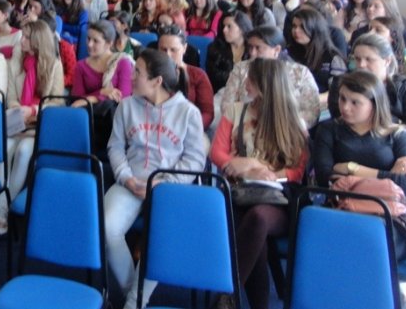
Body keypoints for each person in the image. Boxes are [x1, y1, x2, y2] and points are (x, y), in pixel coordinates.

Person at [104, 48, 206, 309]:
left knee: (158, 238)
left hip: (167, 189)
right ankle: (133, 292)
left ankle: (133, 303)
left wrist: (163, 183)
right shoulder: (126, 106)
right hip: (131, 181)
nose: (131, 77)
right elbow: (115, 147)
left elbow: (195, 160)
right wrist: (126, 178)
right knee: (106, 227)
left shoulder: (188, 113)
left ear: (157, 81)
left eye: (137, 72)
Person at [210, 58, 308, 309]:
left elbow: (297, 171)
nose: (246, 84)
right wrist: (241, 165)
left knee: (258, 218)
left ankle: (227, 296)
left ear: (265, 85)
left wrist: (260, 168)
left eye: (251, 80)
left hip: (278, 199)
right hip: (240, 191)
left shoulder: (294, 121)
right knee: (257, 237)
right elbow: (217, 153)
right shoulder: (235, 110)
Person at [313, 70, 406, 234]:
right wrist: (389, 177)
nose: (345, 107)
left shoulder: (398, 134)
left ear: (374, 105)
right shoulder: (328, 130)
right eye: (342, 98)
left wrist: (351, 168)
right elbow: (324, 178)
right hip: (340, 208)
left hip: (388, 214)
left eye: (355, 102)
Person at [0, 20, 64, 234]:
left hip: (38, 125)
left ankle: (0, 212)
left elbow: (56, 102)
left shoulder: (54, 65)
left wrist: (31, 110)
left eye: (26, 37)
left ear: (38, 41)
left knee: (23, 152)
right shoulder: (16, 62)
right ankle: (0, 211)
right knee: (4, 151)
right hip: (17, 122)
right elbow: (11, 96)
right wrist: (18, 109)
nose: (21, 40)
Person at [328, 33, 406, 150]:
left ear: (387, 61)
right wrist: (395, 124)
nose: (361, 65)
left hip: (394, 147)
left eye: (369, 59)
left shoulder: (405, 88)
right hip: (350, 144)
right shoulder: (341, 83)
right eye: (357, 59)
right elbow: (339, 117)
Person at [221, 25, 321, 129]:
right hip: (244, 127)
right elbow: (227, 105)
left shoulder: (300, 73)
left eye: (258, 48)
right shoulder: (241, 69)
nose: (252, 53)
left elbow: (312, 111)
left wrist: (281, 127)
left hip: (286, 130)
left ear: (276, 50)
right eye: (250, 47)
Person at [71, 20, 134, 149]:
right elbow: (77, 100)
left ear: (109, 43)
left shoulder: (122, 62)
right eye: (88, 39)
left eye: (96, 41)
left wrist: (93, 97)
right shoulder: (81, 66)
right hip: (89, 118)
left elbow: (122, 97)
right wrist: (102, 92)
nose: (89, 44)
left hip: (114, 121)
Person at [157, 25, 214, 129]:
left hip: (189, 127)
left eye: (173, 50)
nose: (168, 55)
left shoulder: (198, 75)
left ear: (184, 48)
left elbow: (207, 113)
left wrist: (190, 128)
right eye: (163, 49)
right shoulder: (151, 73)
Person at [288, 7, 347, 103]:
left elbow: (337, 92)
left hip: (323, 104)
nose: (296, 31)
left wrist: (312, 100)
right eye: (294, 26)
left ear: (315, 28)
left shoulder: (333, 57)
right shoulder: (290, 53)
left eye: (302, 27)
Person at [206, 11, 252, 93]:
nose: (224, 30)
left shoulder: (253, 49)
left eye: (229, 26)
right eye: (223, 26)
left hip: (247, 92)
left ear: (242, 28)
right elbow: (213, 76)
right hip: (221, 92)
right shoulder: (215, 47)